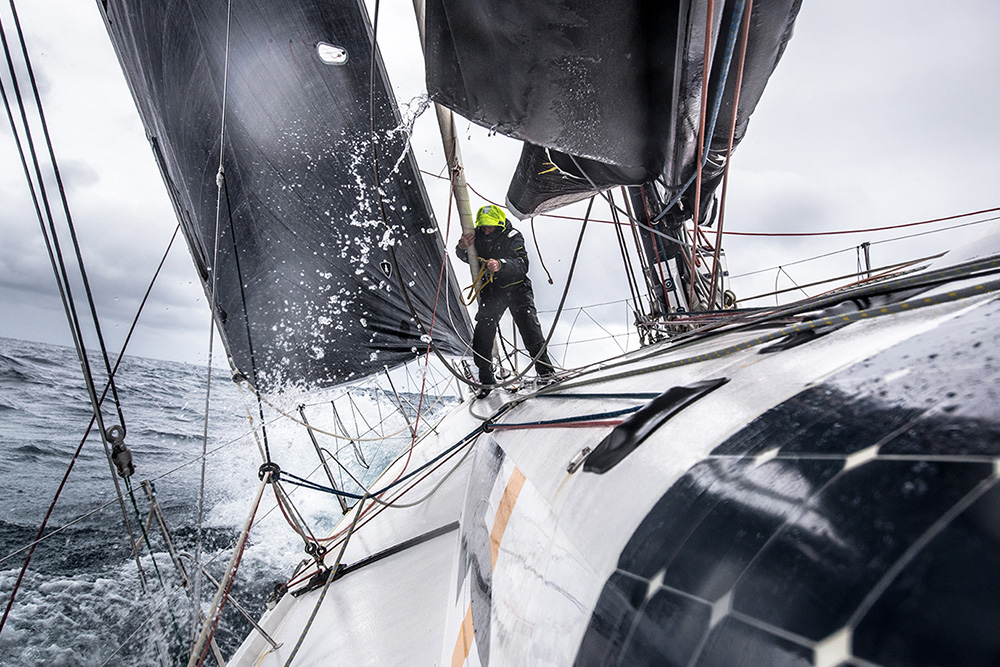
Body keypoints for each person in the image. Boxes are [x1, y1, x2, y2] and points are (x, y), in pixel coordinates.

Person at [457, 205, 555, 396]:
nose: (486, 230)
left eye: (490, 227)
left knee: (530, 330)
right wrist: (461, 248)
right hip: (493, 291)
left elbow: (522, 264)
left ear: (499, 225)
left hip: (518, 289)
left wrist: (501, 264)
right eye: (483, 226)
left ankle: (546, 373)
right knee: (483, 333)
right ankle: (486, 381)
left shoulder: (513, 236)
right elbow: (469, 258)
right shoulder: (476, 235)